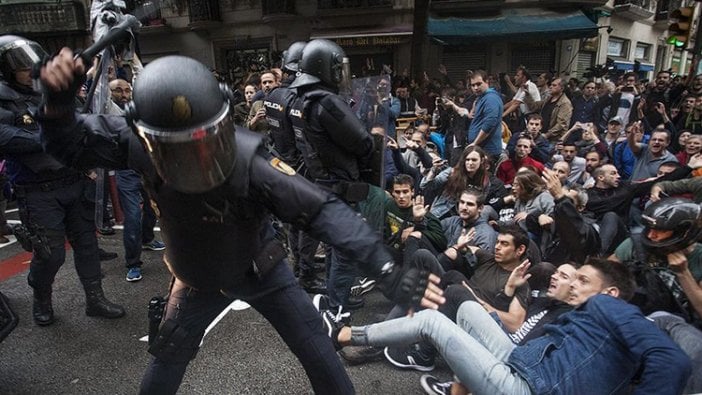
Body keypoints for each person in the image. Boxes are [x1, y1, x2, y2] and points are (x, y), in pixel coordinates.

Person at [39, 48, 447, 394]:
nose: (195, 161)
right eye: (178, 151)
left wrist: (385, 266)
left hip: (261, 268)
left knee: (320, 354)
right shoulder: (134, 141)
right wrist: (56, 104)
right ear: (145, 137)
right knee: (166, 362)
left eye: (204, 144)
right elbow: (69, 144)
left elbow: (322, 211)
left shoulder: (249, 164)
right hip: (198, 278)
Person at [330, 258, 691, 395]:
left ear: (610, 292)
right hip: (522, 364)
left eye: (581, 279)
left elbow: (673, 361)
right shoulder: (588, 315)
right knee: (466, 308)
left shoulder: (610, 308)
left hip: (527, 388)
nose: (574, 284)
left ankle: (343, 334)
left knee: (430, 321)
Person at [0, 34, 124, 326]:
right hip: (37, 188)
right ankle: (41, 297)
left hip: (74, 179)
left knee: (87, 245)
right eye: (19, 65)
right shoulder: (4, 99)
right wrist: (52, 135)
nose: (27, 70)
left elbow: (81, 124)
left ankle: (95, 298)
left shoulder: (52, 89)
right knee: (50, 254)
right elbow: (6, 138)